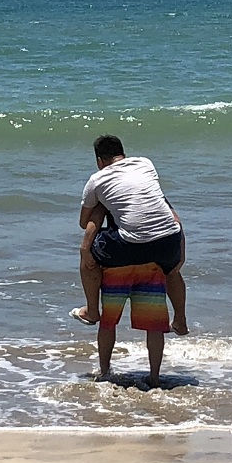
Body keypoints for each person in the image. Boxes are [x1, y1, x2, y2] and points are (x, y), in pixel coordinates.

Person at [69, 134, 188, 335]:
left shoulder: (97, 179)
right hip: (170, 240)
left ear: (99, 161)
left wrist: (102, 204)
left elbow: (83, 223)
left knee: (87, 254)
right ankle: (180, 320)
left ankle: (91, 311)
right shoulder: (145, 164)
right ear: (123, 154)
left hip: (133, 245)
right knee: (172, 271)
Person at [96, 261, 169, 387]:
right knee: (154, 326)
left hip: (117, 266)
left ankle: (105, 372)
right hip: (150, 265)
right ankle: (154, 377)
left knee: (108, 322)